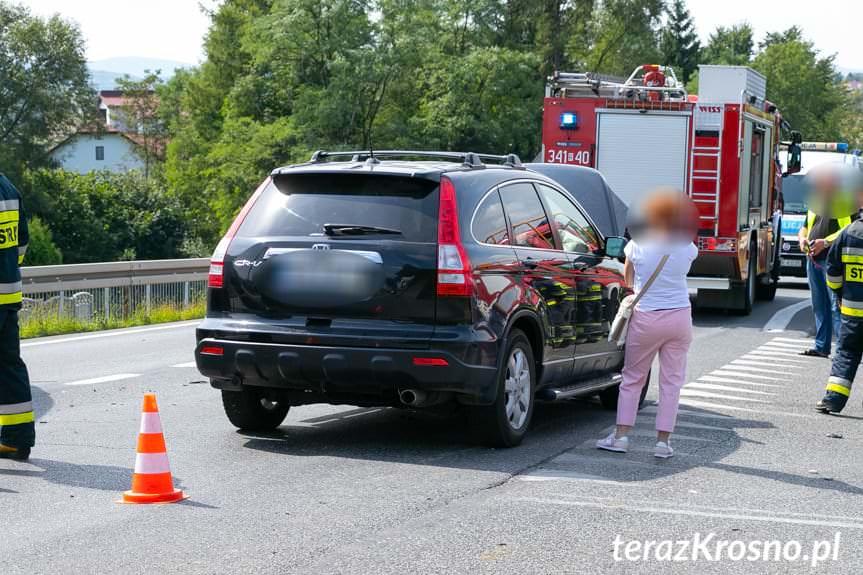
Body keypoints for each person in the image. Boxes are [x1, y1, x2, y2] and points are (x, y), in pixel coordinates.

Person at [597, 190, 698, 458]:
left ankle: (621, 437)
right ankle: (663, 443)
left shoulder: (637, 244)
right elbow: (685, 266)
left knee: (632, 379)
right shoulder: (686, 245)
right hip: (679, 317)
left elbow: (629, 279)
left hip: (647, 316)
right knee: (672, 382)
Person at [816, 171, 863, 414]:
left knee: (846, 352)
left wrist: (838, 293)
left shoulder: (849, 233)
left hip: (852, 310)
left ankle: (833, 400)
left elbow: (832, 270)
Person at [797, 168, 853, 358]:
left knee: (835, 305)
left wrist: (825, 242)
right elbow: (804, 228)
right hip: (812, 258)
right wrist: (802, 240)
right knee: (819, 304)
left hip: (832, 260)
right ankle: (821, 346)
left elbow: (848, 230)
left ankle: (842, 350)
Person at [0, 173, 33, 460]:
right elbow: (21, 242)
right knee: (9, 366)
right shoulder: (6, 185)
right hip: (8, 294)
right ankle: (16, 440)